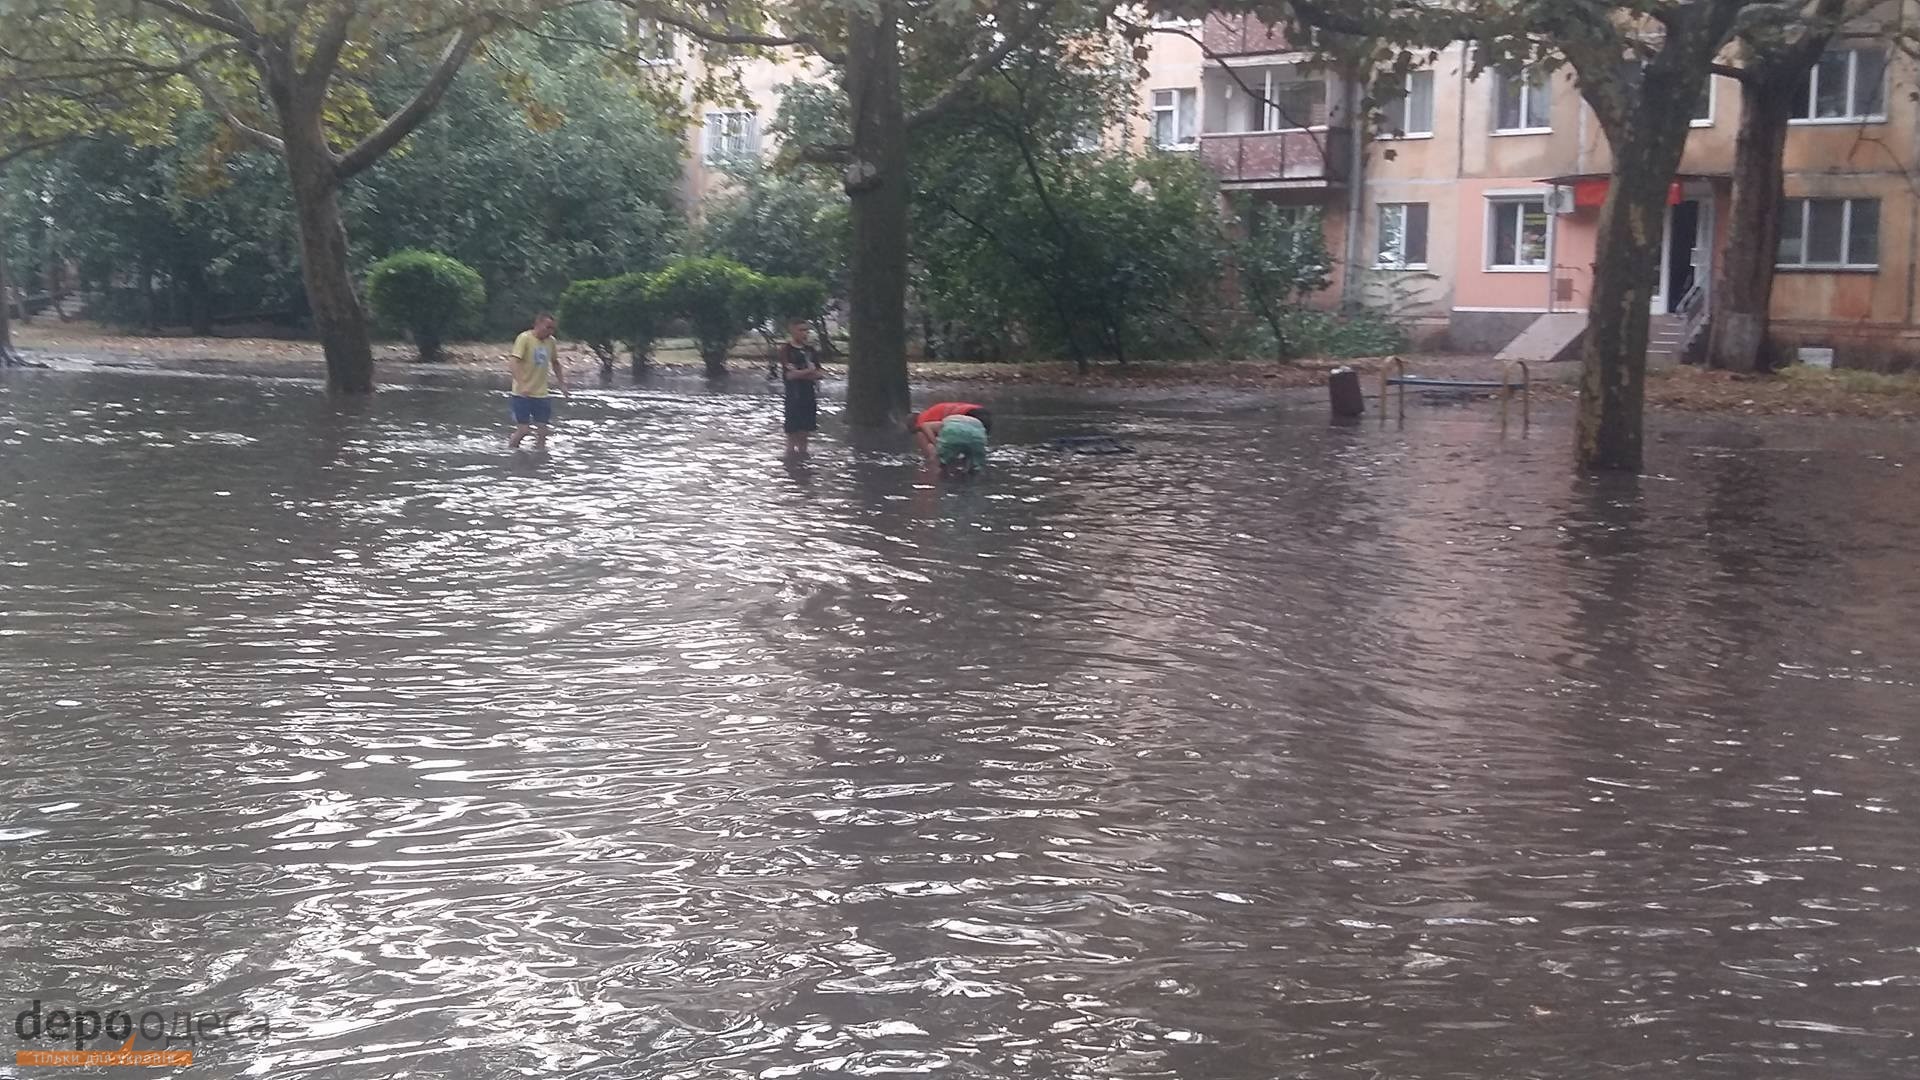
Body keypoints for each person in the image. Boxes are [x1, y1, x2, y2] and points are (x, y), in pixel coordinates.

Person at [507, 312, 567, 450]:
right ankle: (511, 451)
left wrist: (562, 384)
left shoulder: (551, 341)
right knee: (523, 430)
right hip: (522, 393)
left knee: (543, 432)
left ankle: (540, 461)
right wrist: (522, 385)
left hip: (541, 394)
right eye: (548, 327)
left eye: (553, 328)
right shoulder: (524, 338)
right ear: (537, 324)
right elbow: (513, 362)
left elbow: (555, 362)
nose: (550, 331)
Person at [780, 319, 825, 456]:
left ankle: (802, 462)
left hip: (808, 395)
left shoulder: (810, 351)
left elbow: (820, 374)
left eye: (806, 330)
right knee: (792, 434)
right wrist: (808, 371)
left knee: (805, 434)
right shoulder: (786, 350)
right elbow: (790, 376)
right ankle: (791, 463)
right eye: (801, 330)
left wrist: (802, 373)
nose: (804, 333)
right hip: (794, 396)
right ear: (792, 330)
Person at [911, 402, 992, 467]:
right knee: (973, 452)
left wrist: (936, 447)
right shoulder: (932, 411)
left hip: (967, 415)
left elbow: (925, 432)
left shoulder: (922, 421)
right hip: (982, 413)